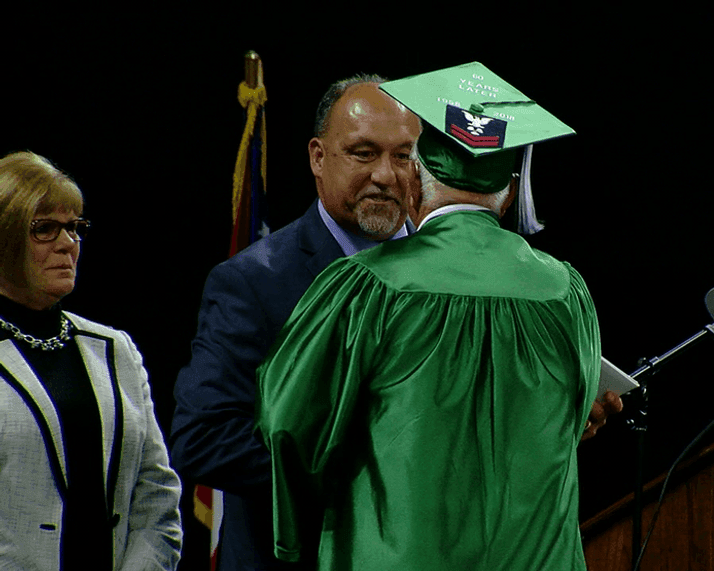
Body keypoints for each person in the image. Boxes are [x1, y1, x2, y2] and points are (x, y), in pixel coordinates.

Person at [256, 62, 600, 570]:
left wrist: (299, 531)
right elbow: (572, 424)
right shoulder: (565, 290)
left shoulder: (367, 287)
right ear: (508, 193)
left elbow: (289, 423)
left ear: (415, 178)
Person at [168, 75, 422, 571]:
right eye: (364, 153)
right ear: (318, 158)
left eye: (403, 155)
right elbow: (202, 438)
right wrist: (362, 474)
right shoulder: (252, 283)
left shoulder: (451, 280)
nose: (387, 176)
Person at [0, 151, 183, 569]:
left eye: (74, 227)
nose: (68, 243)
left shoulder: (113, 348)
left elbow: (155, 494)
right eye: (43, 228)